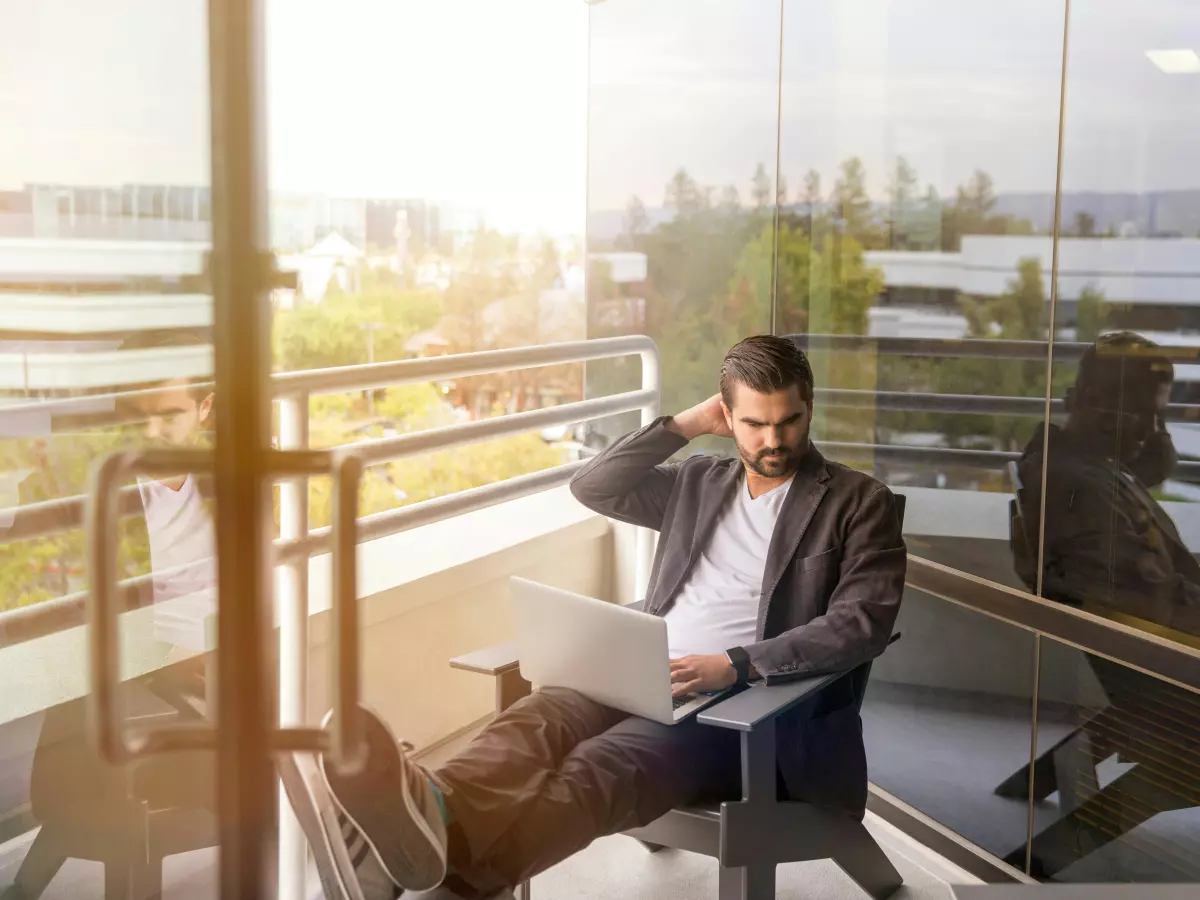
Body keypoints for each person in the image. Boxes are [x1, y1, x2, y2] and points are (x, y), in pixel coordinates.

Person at [307, 335, 907, 899]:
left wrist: (733, 666)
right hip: (644, 672)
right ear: (728, 416)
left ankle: (448, 877)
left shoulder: (857, 503)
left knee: (601, 766)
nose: (773, 439)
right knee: (537, 721)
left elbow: (861, 624)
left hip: (744, 712)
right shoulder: (701, 480)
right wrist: (686, 425)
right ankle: (434, 810)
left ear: (809, 410)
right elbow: (596, 487)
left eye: (789, 421)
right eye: (753, 423)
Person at [1012, 331, 1200, 636]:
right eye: (1142, 413)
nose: (1151, 430)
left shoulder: (1067, 461)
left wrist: (1149, 458)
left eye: (1158, 417)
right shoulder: (1080, 492)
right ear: (1092, 401)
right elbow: (1163, 602)